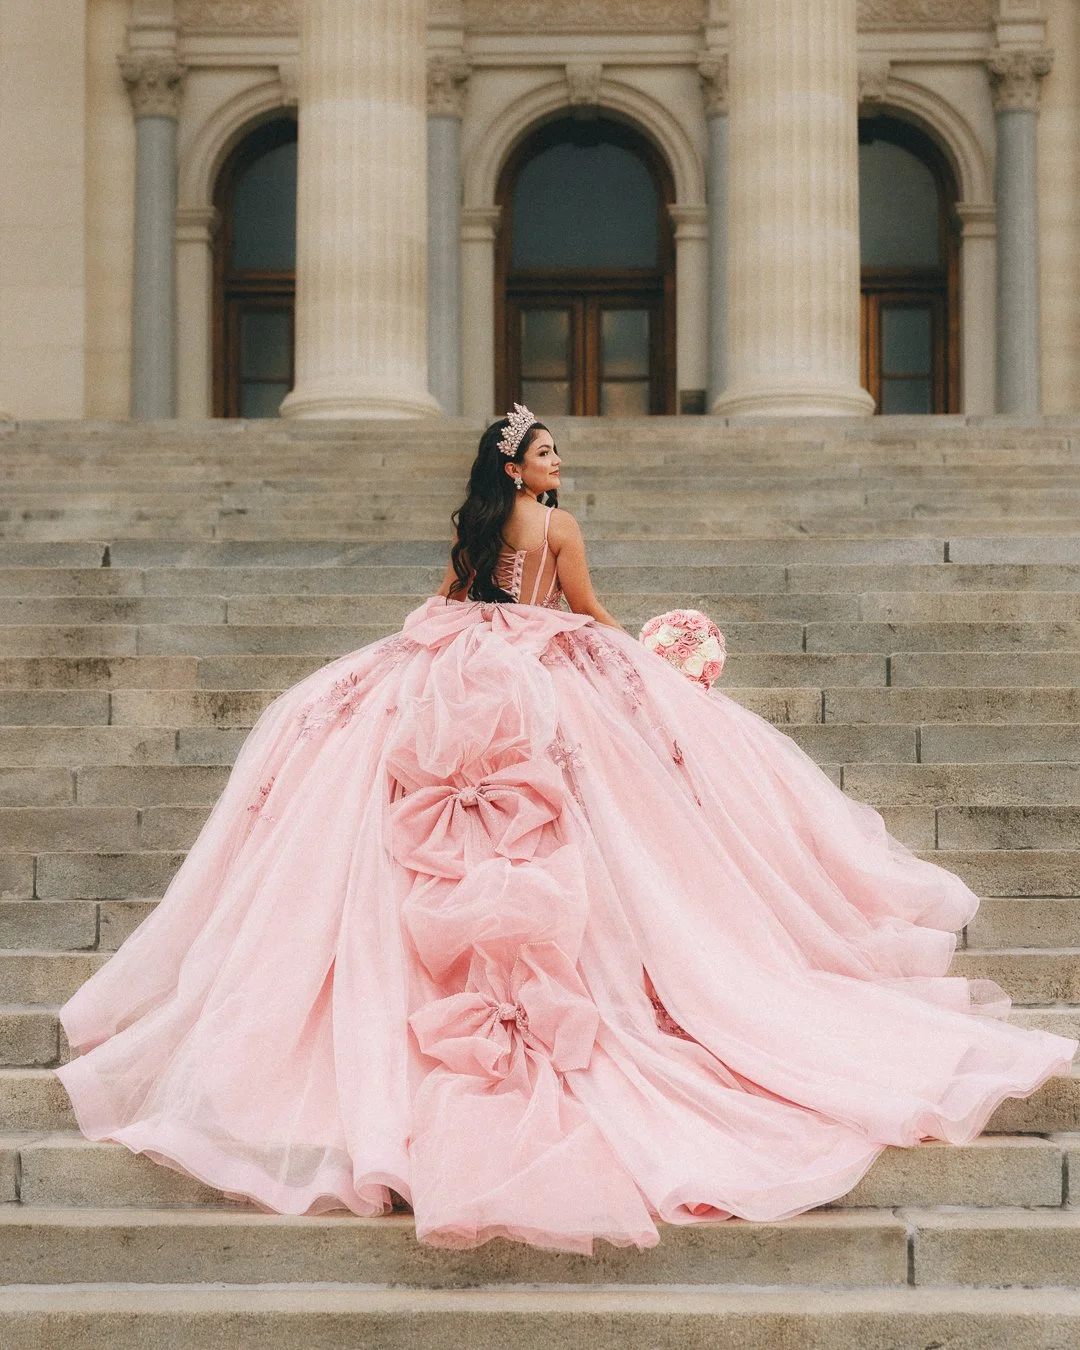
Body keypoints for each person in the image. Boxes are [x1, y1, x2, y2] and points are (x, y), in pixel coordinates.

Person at [58, 406, 1076, 1255]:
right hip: (540, 681)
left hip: (455, 674)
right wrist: (656, 659)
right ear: (519, 465)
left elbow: (458, 603)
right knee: (602, 822)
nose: (558, 463)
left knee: (436, 831)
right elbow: (584, 614)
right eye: (546, 453)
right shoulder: (558, 525)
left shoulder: (478, 524)